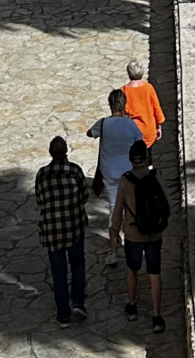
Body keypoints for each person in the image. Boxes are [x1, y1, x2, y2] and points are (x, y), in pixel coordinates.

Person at [110, 136, 171, 330]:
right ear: (146, 158)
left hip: (133, 234)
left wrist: (114, 232)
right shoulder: (156, 176)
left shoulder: (125, 180)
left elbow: (118, 209)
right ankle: (157, 317)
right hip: (154, 234)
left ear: (130, 159)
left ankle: (132, 307)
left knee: (132, 270)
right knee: (154, 273)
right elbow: (167, 204)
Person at [34, 134, 89, 325]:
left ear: (50, 153)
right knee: (78, 264)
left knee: (58, 273)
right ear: (66, 151)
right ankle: (78, 302)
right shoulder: (74, 171)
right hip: (74, 227)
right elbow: (84, 195)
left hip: (52, 231)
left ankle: (63, 314)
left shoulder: (42, 174)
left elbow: (40, 200)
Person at [87, 87, 142, 205]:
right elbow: (140, 141)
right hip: (128, 169)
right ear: (124, 105)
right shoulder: (130, 123)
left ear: (110, 105)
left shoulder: (103, 123)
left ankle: (114, 217)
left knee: (113, 204)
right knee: (130, 203)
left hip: (108, 170)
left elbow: (90, 133)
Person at [121, 58, 164, 153]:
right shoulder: (148, 88)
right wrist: (158, 126)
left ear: (128, 72)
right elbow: (156, 108)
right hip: (149, 130)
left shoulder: (123, 91)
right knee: (148, 154)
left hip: (132, 132)